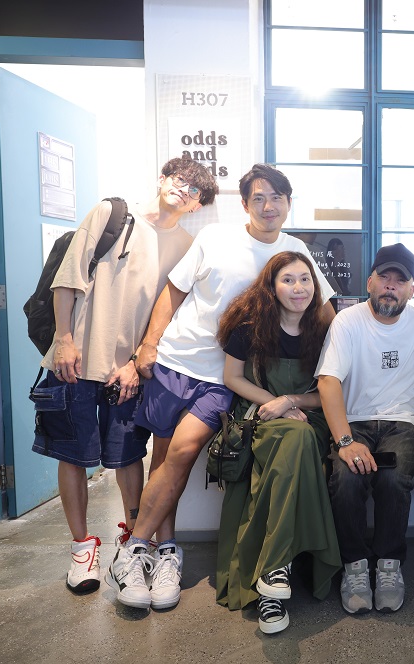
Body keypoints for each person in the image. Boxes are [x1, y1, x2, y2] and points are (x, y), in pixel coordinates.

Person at [106, 164, 335, 611]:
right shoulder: (215, 238)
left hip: (223, 376)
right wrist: (149, 344)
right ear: (245, 204)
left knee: (183, 453)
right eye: (258, 198)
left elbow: (326, 313)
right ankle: (159, 553)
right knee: (162, 459)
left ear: (289, 203)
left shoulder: (295, 252)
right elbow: (174, 291)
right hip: (174, 360)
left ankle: (134, 548)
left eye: (277, 198)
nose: (268, 206)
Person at [34, 157, 217, 594]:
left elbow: (170, 315)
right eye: (179, 179)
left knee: (128, 457)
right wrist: (64, 339)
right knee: (72, 456)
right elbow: (67, 279)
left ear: (197, 205)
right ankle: (82, 550)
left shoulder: (187, 246)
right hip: (76, 361)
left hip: (131, 373)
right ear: (162, 179)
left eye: (194, 190)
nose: (183, 190)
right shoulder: (112, 214)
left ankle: (132, 542)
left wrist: (136, 361)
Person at [214, 251, 340, 634]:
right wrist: (276, 403)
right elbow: (232, 378)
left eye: (305, 279)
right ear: (271, 286)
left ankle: (273, 572)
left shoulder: (326, 329)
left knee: (300, 437)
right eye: (288, 280)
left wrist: (291, 401)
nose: (298, 288)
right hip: (262, 415)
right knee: (296, 441)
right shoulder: (249, 327)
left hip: (309, 417)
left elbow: (330, 391)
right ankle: (276, 571)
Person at [316, 243, 414, 615]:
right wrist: (345, 440)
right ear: (370, 282)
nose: (390, 286)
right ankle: (354, 567)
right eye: (384, 277)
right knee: (346, 478)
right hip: (355, 422)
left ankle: (389, 566)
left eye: (400, 280)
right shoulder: (347, 321)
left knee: (392, 478)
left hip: (403, 423)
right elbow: (328, 381)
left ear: (411, 289)